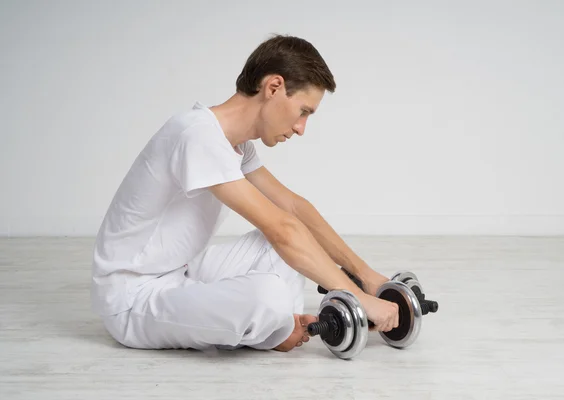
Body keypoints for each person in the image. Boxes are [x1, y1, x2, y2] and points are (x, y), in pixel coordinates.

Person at [91, 34, 399, 353]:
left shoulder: (235, 145)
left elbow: (293, 209)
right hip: (132, 297)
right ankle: (276, 325)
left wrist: (366, 276)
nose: (301, 128)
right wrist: (358, 298)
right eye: (303, 111)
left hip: (182, 271)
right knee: (268, 292)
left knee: (293, 242)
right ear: (274, 87)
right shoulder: (196, 135)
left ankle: (281, 325)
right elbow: (281, 229)